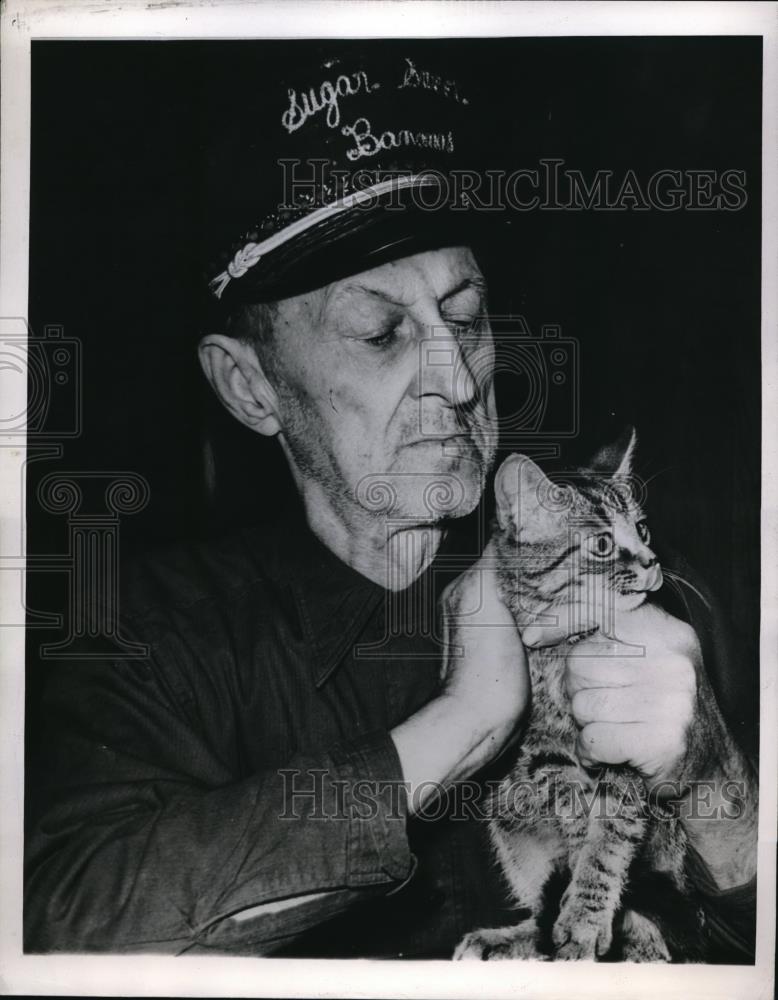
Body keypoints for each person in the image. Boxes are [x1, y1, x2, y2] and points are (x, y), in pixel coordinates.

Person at [24, 47, 757, 960]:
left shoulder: (606, 577)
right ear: (250, 388)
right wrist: (462, 722)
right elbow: (58, 921)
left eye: (467, 313)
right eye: (383, 333)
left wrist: (714, 779)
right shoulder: (146, 634)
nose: (455, 376)